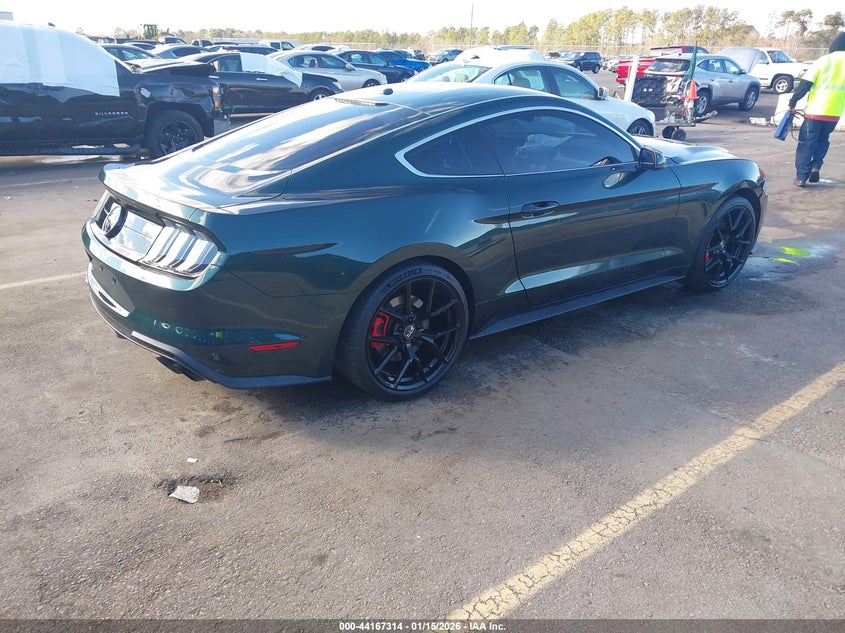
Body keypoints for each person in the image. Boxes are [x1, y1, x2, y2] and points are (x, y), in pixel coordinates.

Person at [788, 31, 845, 187]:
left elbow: (805, 85)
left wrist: (793, 102)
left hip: (815, 112)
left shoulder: (824, 61)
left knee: (807, 143)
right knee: (823, 140)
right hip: (834, 113)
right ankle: (816, 165)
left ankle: (801, 177)